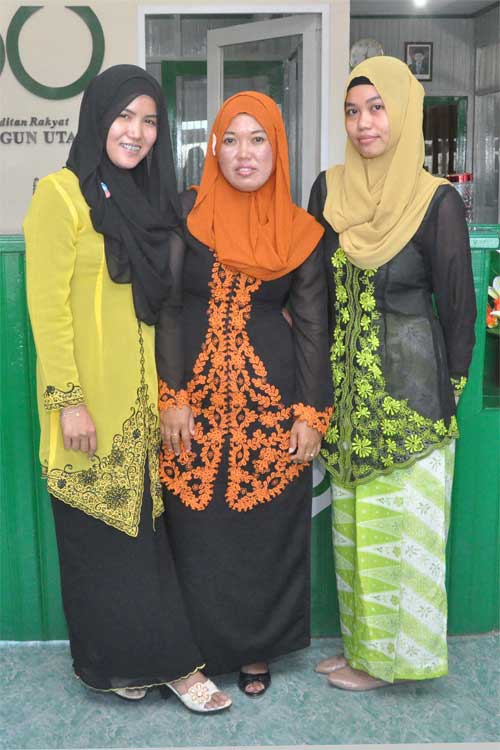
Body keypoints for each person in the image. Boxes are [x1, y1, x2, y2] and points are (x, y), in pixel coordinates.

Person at [23, 64, 231, 712]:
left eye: (149, 121)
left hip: (138, 408)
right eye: (123, 116)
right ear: (97, 118)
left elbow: (163, 307)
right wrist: (68, 402)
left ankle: (135, 662)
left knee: (139, 545)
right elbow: (47, 311)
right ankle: (155, 667)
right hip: (86, 407)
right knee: (94, 548)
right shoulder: (60, 196)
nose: (136, 132)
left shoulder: (149, 203)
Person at [308, 56, 476, 691]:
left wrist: (448, 394)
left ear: (404, 113)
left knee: (402, 537)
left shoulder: (436, 201)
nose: (364, 123)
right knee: (356, 533)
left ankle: (392, 663)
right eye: (353, 111)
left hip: (412, 397)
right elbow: (316, 293)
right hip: (348, 398)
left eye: (377, 108)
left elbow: (458, 308)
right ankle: (362, 650)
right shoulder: (329, 191)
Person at [156, 91, 332, 696]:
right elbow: (168, 307)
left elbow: (312, 325)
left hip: (270, 402)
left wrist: (311, 412)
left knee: (264, 527)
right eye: (230, 140)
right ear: (214, 148)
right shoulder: (186, 212)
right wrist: (172, 395)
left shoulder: (301, 231)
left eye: (258, 140)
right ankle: (200, 647)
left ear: (277, 148)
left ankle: (257, 649)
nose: (244, 153)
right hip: (194, 399)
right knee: (196, 528)